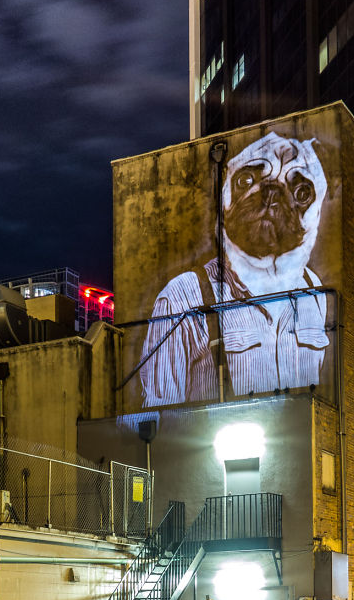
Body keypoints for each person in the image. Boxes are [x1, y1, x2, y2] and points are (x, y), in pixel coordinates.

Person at [140, 131, 329, 407]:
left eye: (301, 194)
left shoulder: (315, 292)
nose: (270, 197)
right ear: (224, 187)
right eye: (246, 181)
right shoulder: (183, 297)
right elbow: (160, 415)